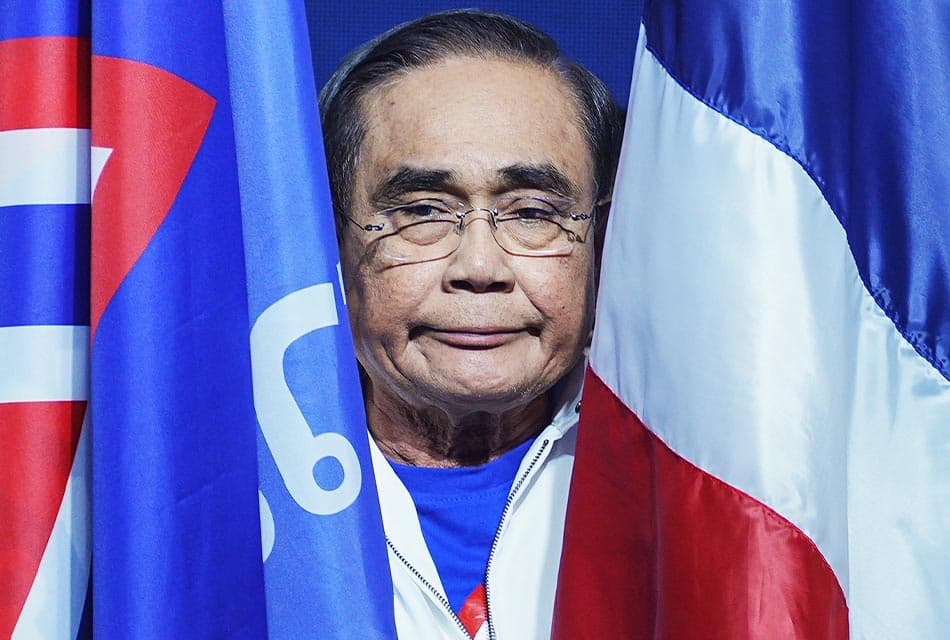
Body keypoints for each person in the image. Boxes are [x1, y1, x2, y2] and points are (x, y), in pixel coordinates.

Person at [319, 10, 623, 639]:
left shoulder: (701, 483)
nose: (480, 268)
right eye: (422, 211)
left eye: (532, 213)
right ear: (330, 240)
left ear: (602, 240)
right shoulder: (223, 496)